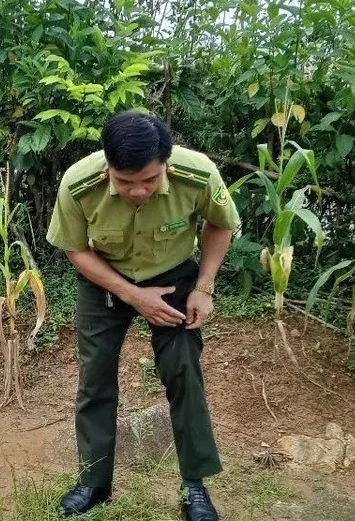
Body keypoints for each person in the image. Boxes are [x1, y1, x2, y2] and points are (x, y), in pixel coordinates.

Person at [45, 110, 239, 521]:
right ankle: (93, 484)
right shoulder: (78, 183)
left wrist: (204, 287)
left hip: (174, 280)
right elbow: (75, 250)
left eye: (150, 181)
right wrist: (133, 295)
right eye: (125, 182)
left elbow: (221, 226)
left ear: (166, 164)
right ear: (108, 165)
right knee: (95, 377)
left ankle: (194, 488)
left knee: (183, 370)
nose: (137, 191)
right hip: (106, 283)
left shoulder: (198, 174)